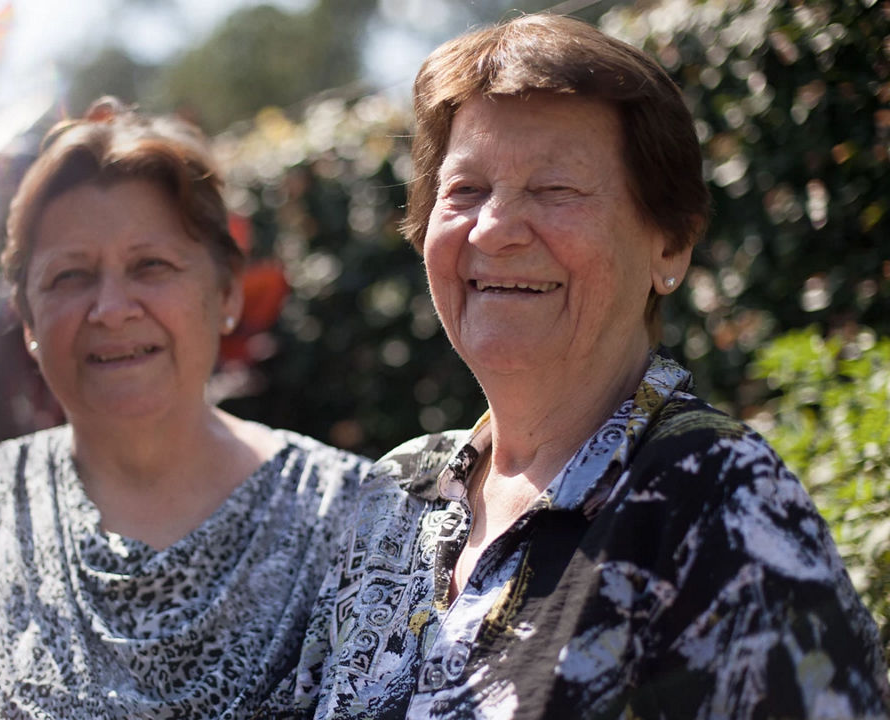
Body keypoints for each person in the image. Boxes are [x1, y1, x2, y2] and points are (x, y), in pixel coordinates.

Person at [271, 14, 890, 719]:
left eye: (557, 190)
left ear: (670, 248)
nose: (495, 229)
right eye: (465, 191)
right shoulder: (397, 495)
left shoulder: (717, 502)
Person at [0, 98, 369, 719]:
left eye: (150, 266)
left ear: (227, 291)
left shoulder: (349, 520)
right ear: (27, 318)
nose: (110, 309)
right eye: (70, 277)